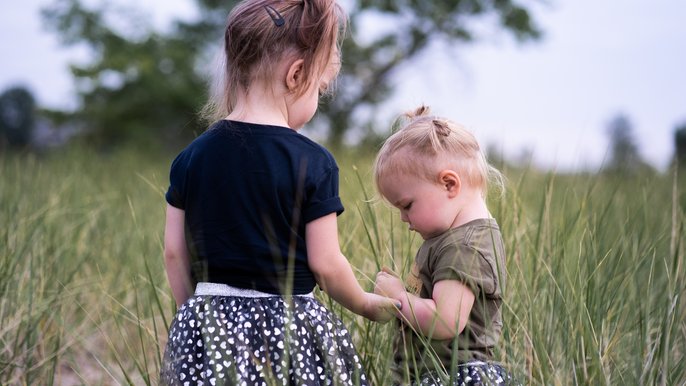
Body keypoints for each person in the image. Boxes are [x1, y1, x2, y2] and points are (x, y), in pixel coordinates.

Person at [159, 1, 399, 384]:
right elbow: (326, 263)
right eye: (320, 88)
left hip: (207, 320)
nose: (317, 100)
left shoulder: (190, 157)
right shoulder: (313, 161)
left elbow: (174, 253)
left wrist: (196, 316)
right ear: (296, 74)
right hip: (290, 329)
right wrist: (365, 303)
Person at [373, 106, 516, 385]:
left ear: (449, 184)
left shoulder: (464, 247)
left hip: (456, 376)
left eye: (407, 205)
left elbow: (446, 320)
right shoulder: (451, 238)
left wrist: (399, 298)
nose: (403, 218)